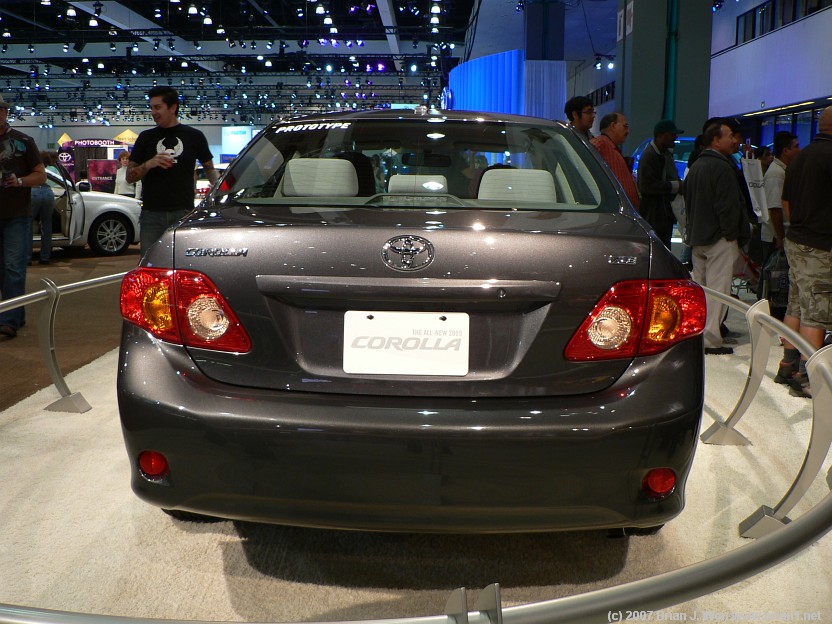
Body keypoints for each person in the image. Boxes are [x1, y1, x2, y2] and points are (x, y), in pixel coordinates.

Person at [778, 106, 832, 398]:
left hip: (796, 239)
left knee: (796, 303)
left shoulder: (799, 158)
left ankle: (787, 364)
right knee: (817, 311)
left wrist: (799, 224)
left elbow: (785, 201)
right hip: (820, 245)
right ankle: (807, 376)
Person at [684, 121, 751, 355]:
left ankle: (696, 334)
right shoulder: (722, 167)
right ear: (716, 140)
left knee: (702, 292)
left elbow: (688, 202)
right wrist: (733, 235)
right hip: (719, 238)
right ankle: (711, 339)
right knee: (718, 291)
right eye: (730, 136)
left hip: (698, 237)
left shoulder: (696, 166)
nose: (734, 140)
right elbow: (728, 207)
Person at [127, 86, 217, 254]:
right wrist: (149, 163)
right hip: (151, 214)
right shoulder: (146, 137)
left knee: (184, 262)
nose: (153, 112)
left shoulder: (194, 136)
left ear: (173, 107)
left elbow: (210, 169)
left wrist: (221, 195)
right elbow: (129, 177)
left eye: (158, 107)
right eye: (151, 107)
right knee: (150, 263)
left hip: (183, 213)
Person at [0, 94, 46, 339]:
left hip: (17, 213)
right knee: (4, 269)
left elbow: (41, 175)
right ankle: (16, 313)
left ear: (5, 112)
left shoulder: (24, 141)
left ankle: (9, 320)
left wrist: (19, 181)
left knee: (13, 267)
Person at [637, 119, 684, 249]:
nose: (675, 137)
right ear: (660, 135)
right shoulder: (649, 156)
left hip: (664, 217)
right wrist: (675, 186)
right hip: (654, 217)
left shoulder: (665, 154)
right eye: (672, 134)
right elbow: (646, 186)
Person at [760, 131, 800, 268]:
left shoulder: (784, 171)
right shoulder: (776, 174)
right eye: (796, 146)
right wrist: (780, 237)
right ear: (785, 151)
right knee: (773, 274)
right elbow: (774, 208)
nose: (799, 150)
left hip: (780, 235)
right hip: (774, 238)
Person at [591, 112, 640, 209]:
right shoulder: (601, 143)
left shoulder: (611, 146)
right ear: (613, 125)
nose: (628, 131)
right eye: (625, 127)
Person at [30, 150, 55, 265]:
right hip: (48, 193)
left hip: (33, 192)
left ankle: (27, 258)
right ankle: (45, 257)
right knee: (46, 226)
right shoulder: (49, 170)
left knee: (28, 226)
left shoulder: (33, 170)